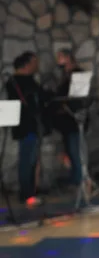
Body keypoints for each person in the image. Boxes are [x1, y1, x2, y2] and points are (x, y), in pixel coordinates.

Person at [6, 52, 51, 206]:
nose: (36, 66)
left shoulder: (19, 81)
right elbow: (37, 97)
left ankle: (30, 192)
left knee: (30, 160)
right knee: (27, 160)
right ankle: (27, 194)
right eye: (34, 62)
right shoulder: (18, 82)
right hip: (26, 127)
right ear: (27, 64)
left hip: (29, 126)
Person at [52, 49, 84, 190]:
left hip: (73, 118)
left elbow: (77, 98)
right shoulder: (65, 76)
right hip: (65, 120)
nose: (58, 60)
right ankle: (74, 176)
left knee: (75, 149)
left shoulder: (77, 74)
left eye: (61, 57)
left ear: (68, 58)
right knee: (69, 150)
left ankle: (79, 178)